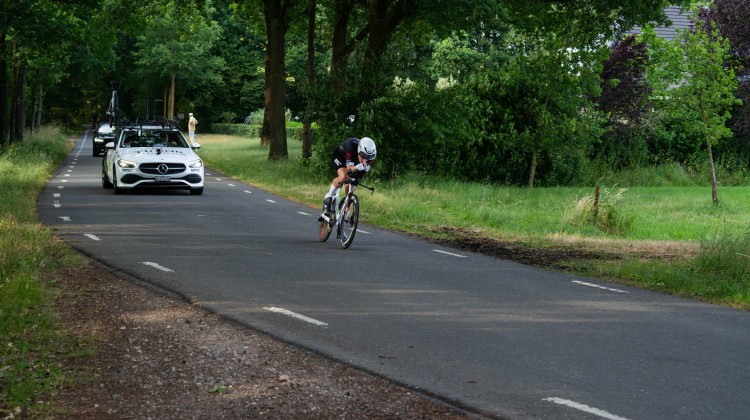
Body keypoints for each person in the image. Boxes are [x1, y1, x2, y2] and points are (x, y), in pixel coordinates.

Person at [320, 137, 377, 218]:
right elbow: (349, 170)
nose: (365, 160)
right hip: (340, 157)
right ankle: (329, 195)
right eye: (363, 156)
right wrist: (358, 167)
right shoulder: (351, 146)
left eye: (369, 158)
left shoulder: (366, 159)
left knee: (352, 184)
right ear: (359, 151)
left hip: (355, 161)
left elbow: (356, 177)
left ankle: (345, 211)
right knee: (344, 176)